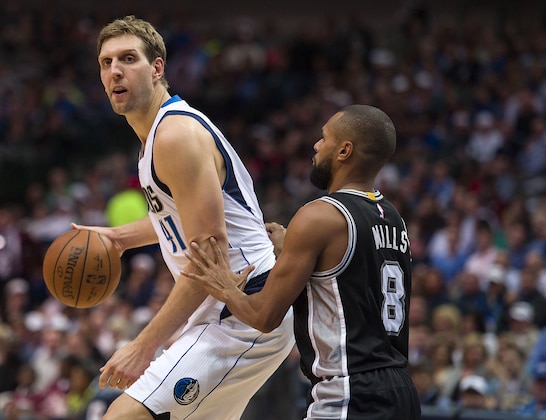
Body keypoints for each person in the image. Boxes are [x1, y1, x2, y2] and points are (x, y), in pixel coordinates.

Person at [72, 15, 294, 419]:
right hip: (224, 309)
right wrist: (119, 238)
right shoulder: (155, 136)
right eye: (106, 63)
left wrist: (144, 345)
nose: (115, 71)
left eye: (128, 58)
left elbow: (210, 255)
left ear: (157, 68)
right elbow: (180, 220)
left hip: (244, 307)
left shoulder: (175, 135)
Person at [183, 105, 421, 419]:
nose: (316, 145)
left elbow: (265, 316)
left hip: (351, 393)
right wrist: (292, 247)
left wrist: (226, 289)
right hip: (402, 392)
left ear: (344, 151)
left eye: (324, 138)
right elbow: (346, 284)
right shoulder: (393, 217)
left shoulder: (319, 215)